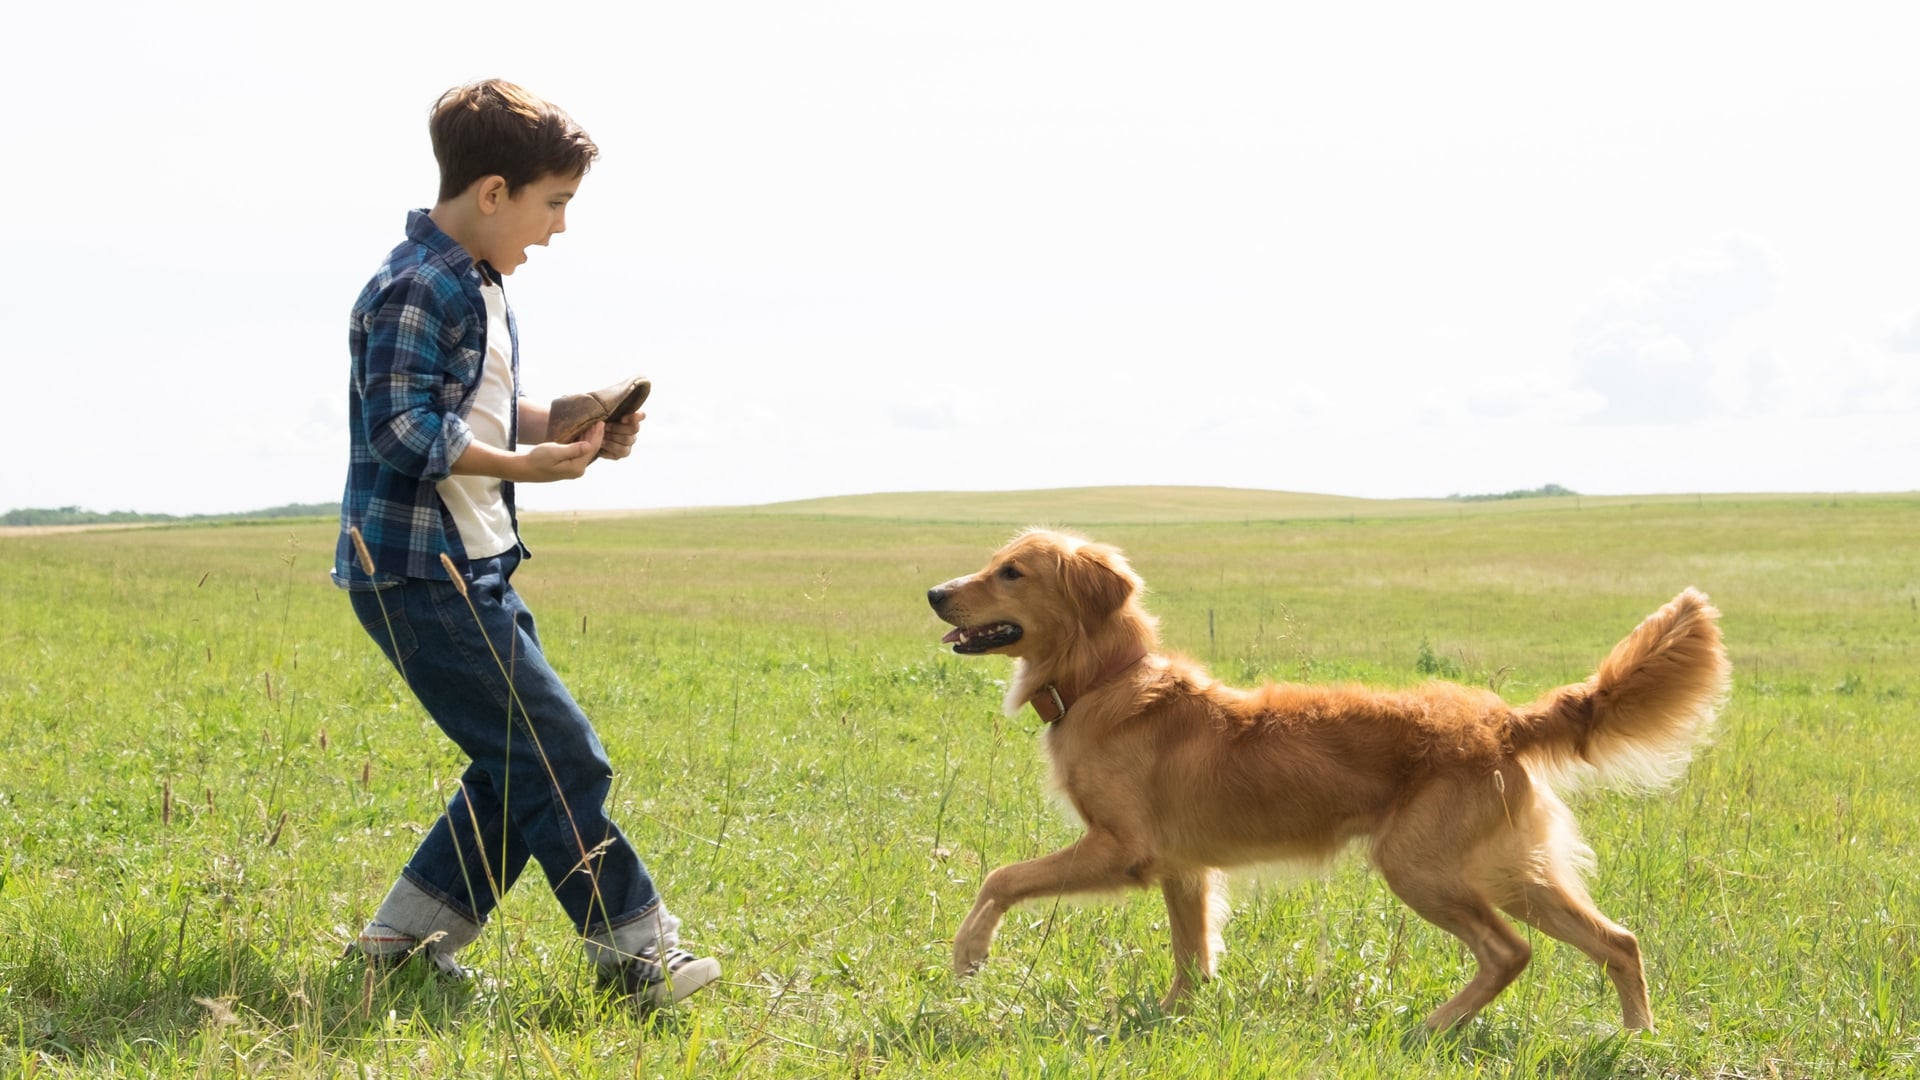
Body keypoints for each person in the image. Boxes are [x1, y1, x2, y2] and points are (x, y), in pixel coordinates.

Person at [331, 78, 718, 1008]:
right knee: (563, 757)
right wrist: (524, 464)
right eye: (554, 203)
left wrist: (565, 419)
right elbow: (402, 430)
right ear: (494, 192)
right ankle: (637, 957)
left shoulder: (475, 282)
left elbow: (473, 408)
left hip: (472, 567)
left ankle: (398, 945)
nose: (559, 228)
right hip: (420, 573)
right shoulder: (417, 285)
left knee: (522, 760)